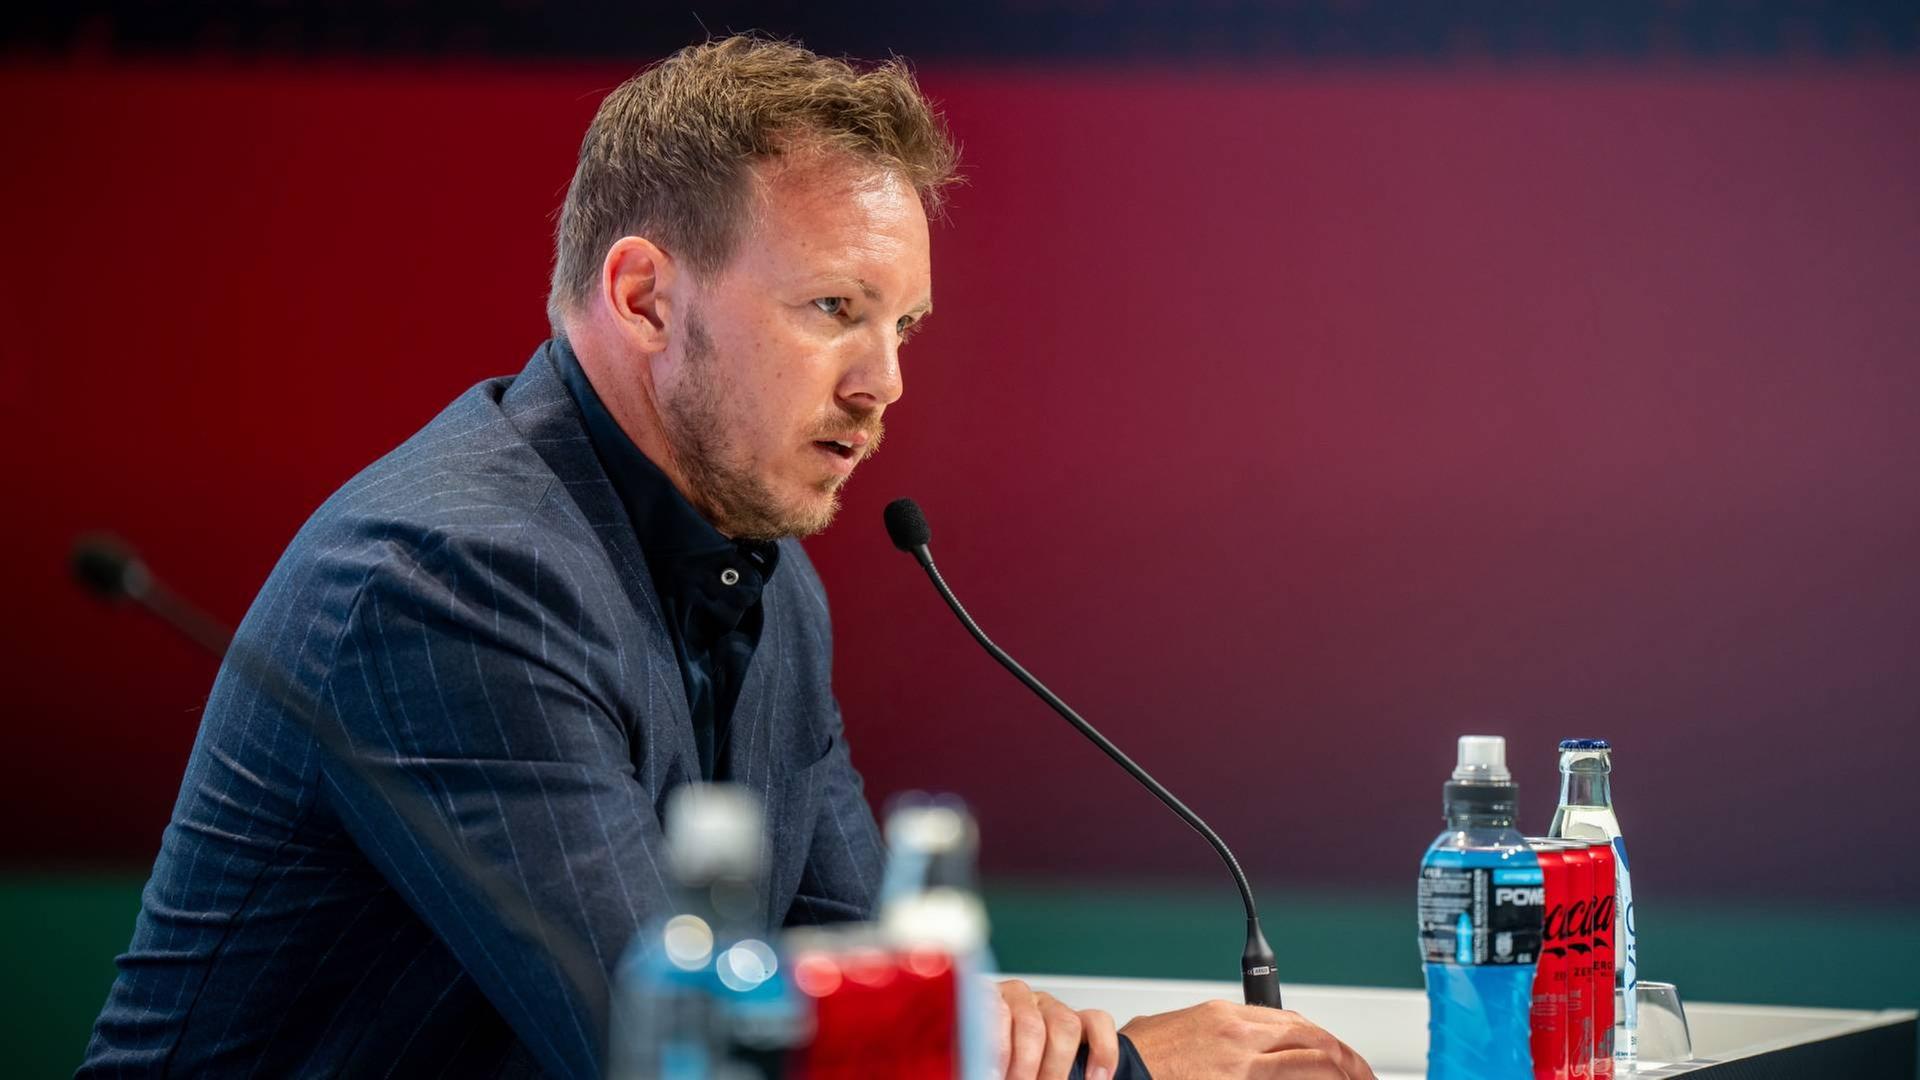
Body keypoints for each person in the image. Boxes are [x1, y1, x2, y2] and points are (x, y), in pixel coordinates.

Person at [80, 36, 1375, 1080]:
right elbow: (673, 1054)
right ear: (646, 297)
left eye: (905, 325)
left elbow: (865, 987)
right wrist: (1130, 1071)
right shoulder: (452, 575)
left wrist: (1015, 1042)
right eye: (835, 309)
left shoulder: (765, 575)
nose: (884, 384)